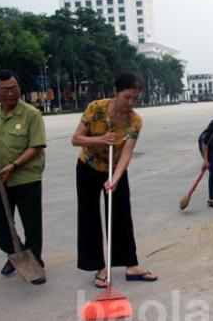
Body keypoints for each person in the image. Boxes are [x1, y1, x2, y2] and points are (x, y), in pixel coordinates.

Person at [71, 71, 157, 288]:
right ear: (115, 92)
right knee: (89, 216)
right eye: (126, 97)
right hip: (88, 167)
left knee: (121, 215)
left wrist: (116, 178)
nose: (130, 103)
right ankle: (99, 266)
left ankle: (131, 264)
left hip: (114, 169)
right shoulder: (95, 109)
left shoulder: (135, 121)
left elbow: (126, 153)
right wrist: (99, 139)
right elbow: (76, 139)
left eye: (135, 98)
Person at [0, 69, 47, 285]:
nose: (11, 93)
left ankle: (35, 262)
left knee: (32, 224)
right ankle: (17, 253)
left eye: (15, 88)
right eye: (5, 89)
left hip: (25, 178)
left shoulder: (31, 114)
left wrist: (13, 165)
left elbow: (36, 146)